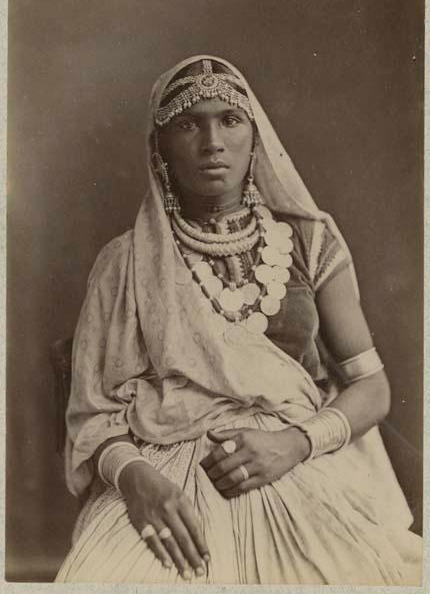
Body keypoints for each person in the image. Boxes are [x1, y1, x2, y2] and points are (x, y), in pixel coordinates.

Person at [55, 55, 422, 585]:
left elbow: (371, 385)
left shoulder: (310, 241)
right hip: (163, 477)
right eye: (188, 123)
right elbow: (93, 413)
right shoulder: (125, 261)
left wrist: (295, 443)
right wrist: (137, 482)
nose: (212, 142)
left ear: (255, 134)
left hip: (296, 457)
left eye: (229, 120)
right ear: (160, 150)